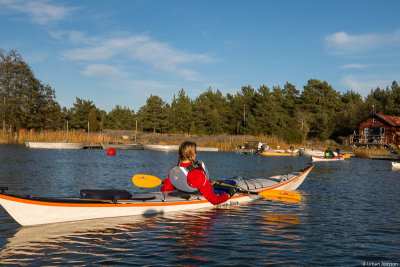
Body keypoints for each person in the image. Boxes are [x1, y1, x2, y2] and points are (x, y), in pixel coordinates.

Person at [161, 141, 235, 205]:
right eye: (195, 152)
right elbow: (215, 200)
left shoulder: (173, 171)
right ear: (193, 155)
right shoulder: (197, 174)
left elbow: (165, 190)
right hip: (197, 201)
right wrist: (228, 195)